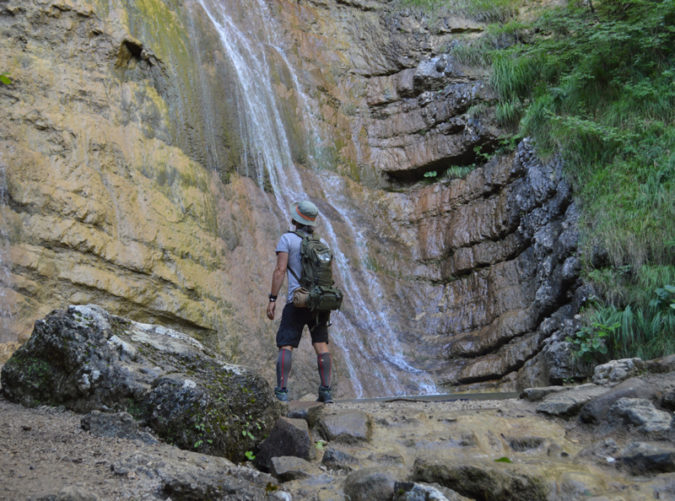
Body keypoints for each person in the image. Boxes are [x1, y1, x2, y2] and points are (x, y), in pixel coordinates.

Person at [266, 200, 334, 403]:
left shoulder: (287, 239)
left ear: (295, 219)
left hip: (296, 300)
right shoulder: (322, 244)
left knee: (286, 345)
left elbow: (280, 270)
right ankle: (326, 391)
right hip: (319, 302)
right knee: (321, 344)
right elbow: (329, 275)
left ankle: (282, 391)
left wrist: (272, 298)